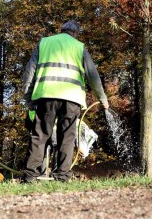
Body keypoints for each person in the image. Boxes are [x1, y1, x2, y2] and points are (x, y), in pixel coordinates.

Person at [21, 20, 109, 183]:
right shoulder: (79, 47)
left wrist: (28, 97)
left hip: (46, 96)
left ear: (61, 30)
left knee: (39, 135)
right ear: (75, 33)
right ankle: (61, 176)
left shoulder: (44, 43)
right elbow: (93, 76)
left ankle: (30, 176)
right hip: (71, 99)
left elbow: (29, 71)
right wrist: (102, 98)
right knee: (67, 137)